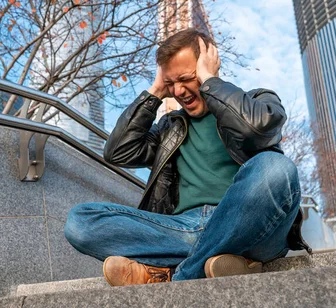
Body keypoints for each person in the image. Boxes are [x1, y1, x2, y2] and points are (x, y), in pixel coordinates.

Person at [64, 28, 311, 286]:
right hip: (183, 228)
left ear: (209, 65)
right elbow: (117, 152)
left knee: (276, 167)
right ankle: (216, 259)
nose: (179, 91)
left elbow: (255, 128)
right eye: (171, 83)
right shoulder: (169, 126)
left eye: (186, 78)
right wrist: (156, 91)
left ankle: (176, 276)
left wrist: (210, 82)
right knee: (81, 221)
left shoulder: (257, 99)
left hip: (254, 226)